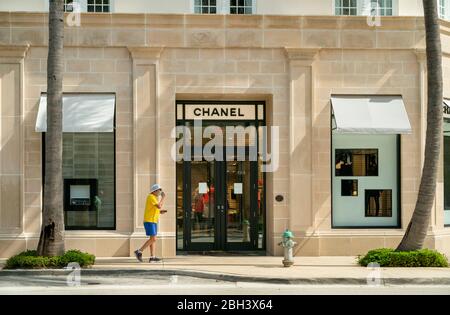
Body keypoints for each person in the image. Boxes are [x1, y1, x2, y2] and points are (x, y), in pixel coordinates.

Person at [134, 184, 167, 263]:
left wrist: (160, 212)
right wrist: (163, 197)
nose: (160, 192)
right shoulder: (151, 197)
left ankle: (152, 257)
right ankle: (139, 251)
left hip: (153, 220)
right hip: (149, 221)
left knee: (152, 239)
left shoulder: (154, 198)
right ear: (154, 191)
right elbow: (159, 206)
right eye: (159, 190)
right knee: (153, 239)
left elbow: (155, 209)